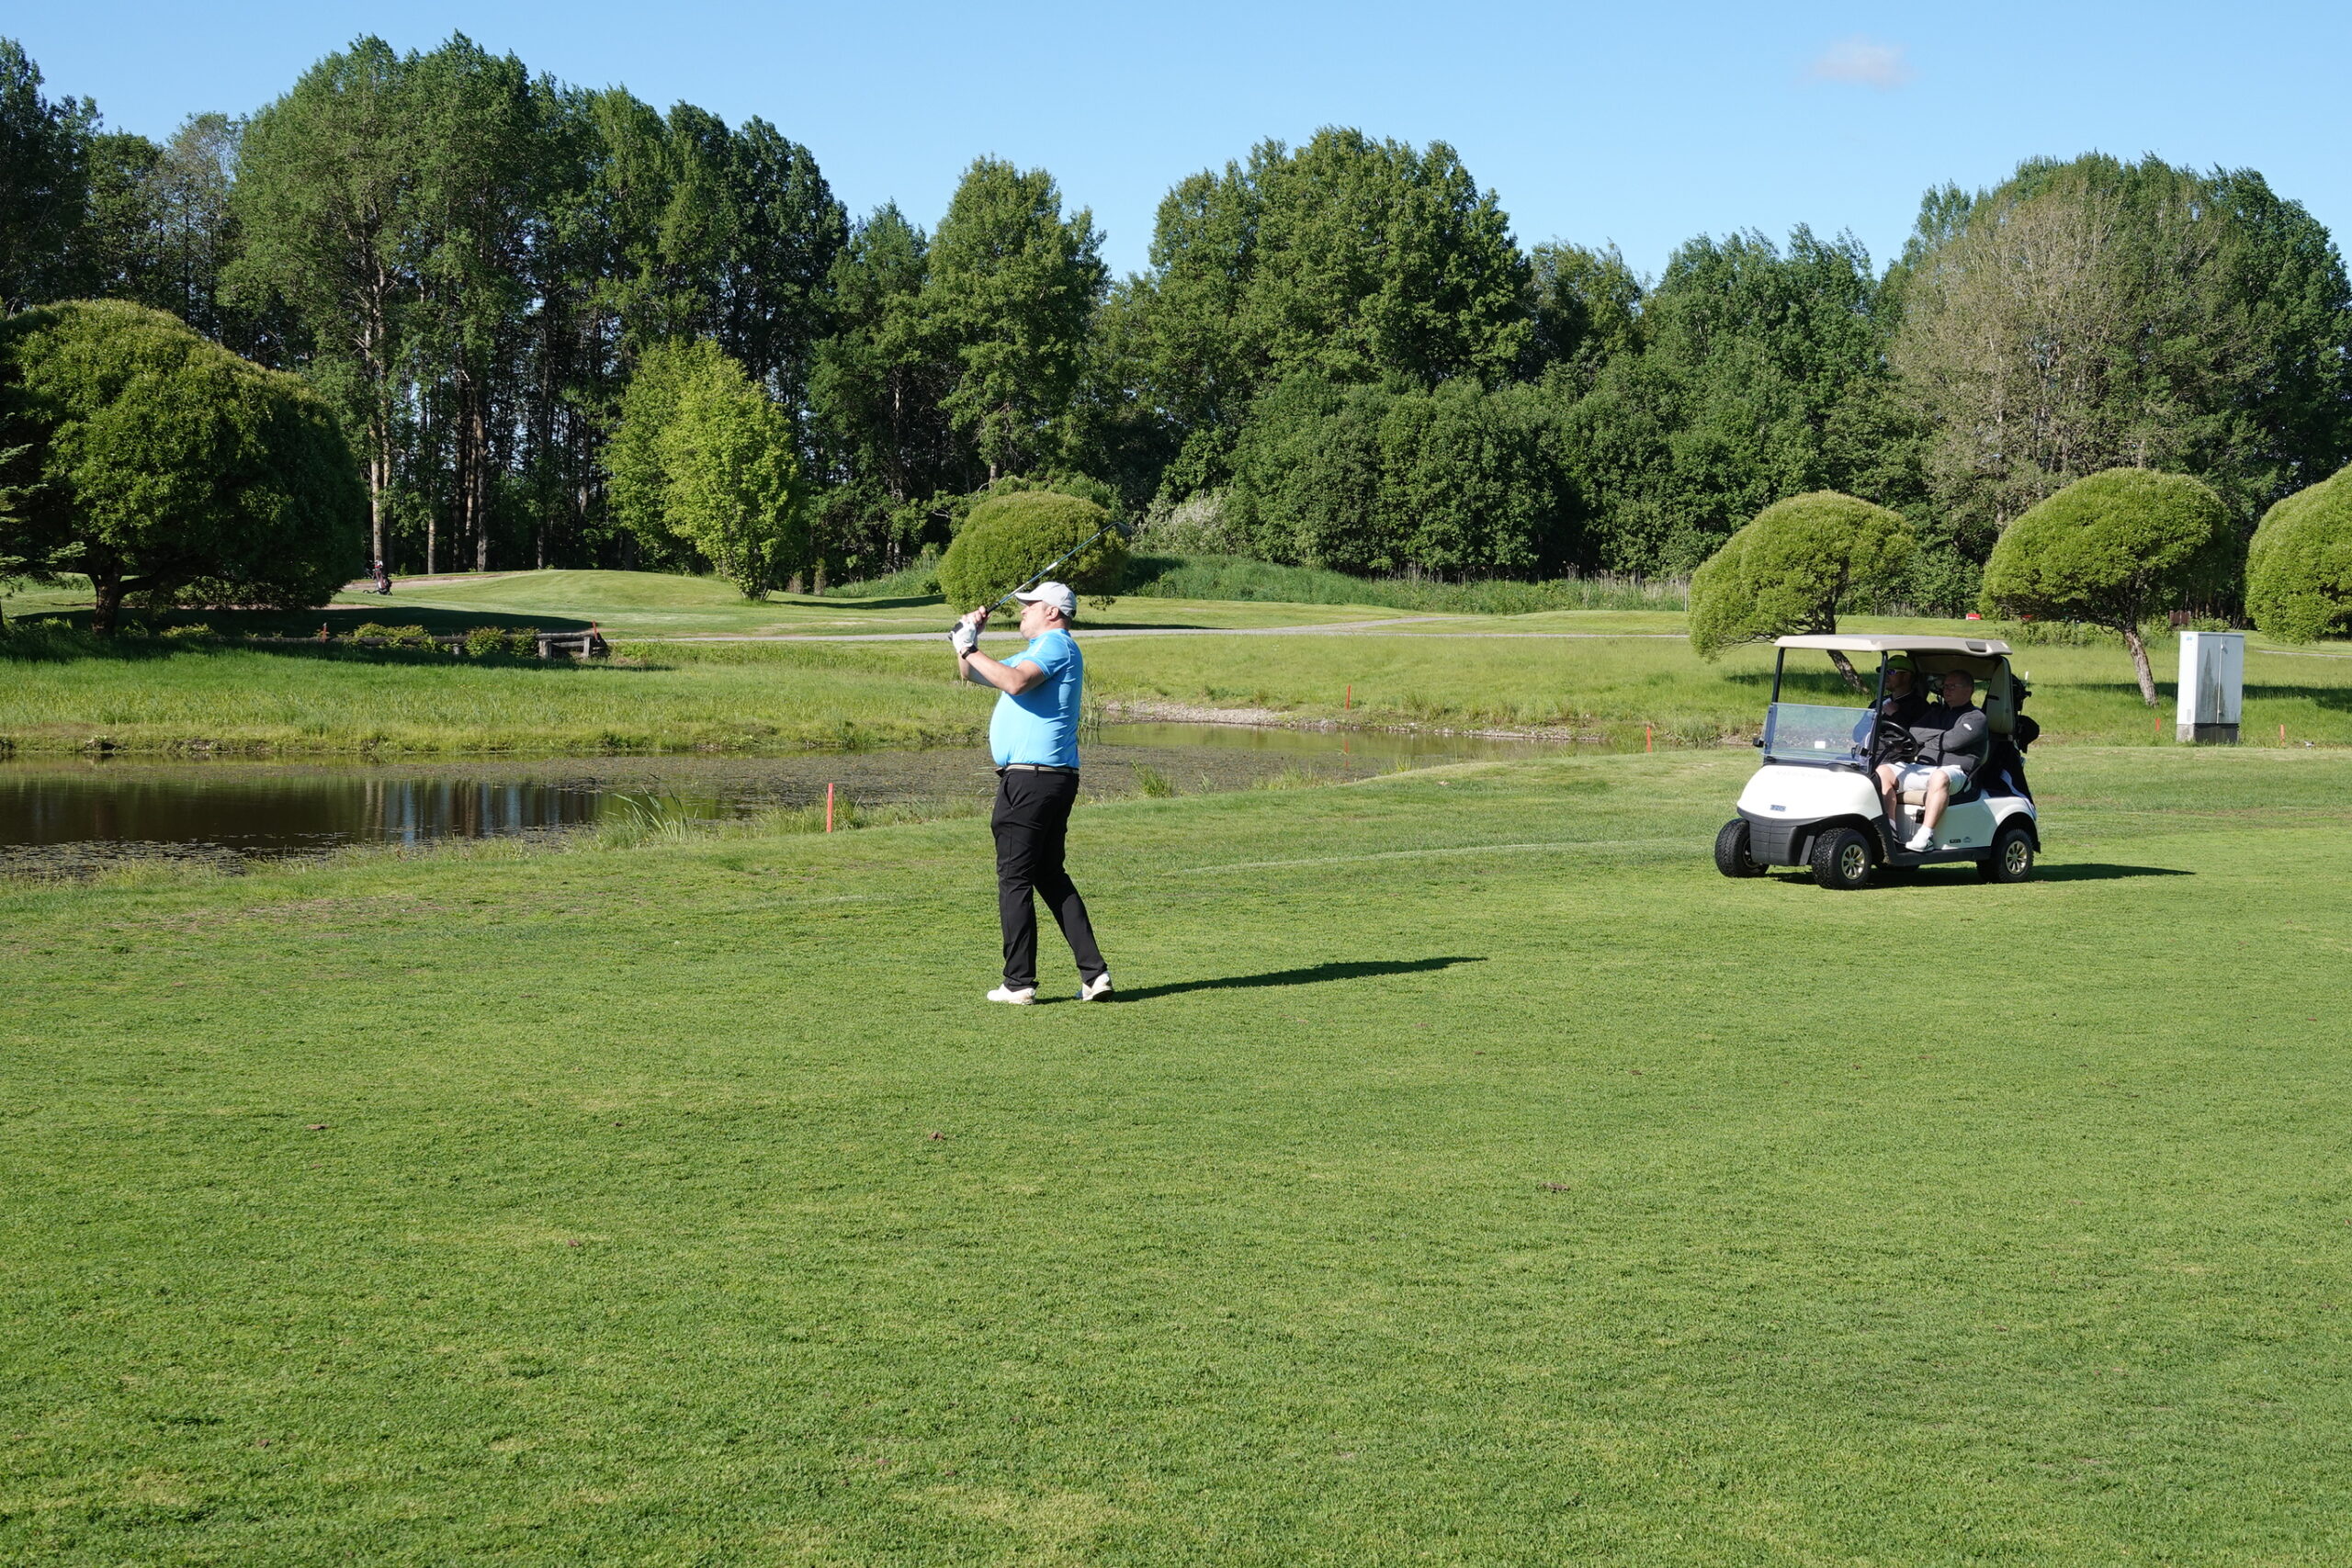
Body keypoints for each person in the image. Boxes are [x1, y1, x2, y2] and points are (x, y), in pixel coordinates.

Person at [951, 581, 1112, 1005]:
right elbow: (975, 675)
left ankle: (1018, 982)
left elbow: (1016, 683)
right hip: (1044, 778)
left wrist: (968, 646)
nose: (1022, 611)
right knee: (1048, 874)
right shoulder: (1038, 650)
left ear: (1053, 612)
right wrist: (968, 640)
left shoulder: (1056, 645)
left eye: (1030, 606)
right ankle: (1094, 975)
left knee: (1015, 877)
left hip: (1032, 780)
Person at [1883, 669, 1989, 852]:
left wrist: (1931, 739)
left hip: (1956, 773)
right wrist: (1941, 735)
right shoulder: (1936, 713)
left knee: (1939, 776)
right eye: (1945, 686)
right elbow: (1914, 733)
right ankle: (1889, 831)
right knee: (1883, 771)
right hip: (1923, 768)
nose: (1946, 690)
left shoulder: (1976, 718)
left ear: (1969, 690)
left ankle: (1925, 836)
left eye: (1952, 687)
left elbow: (1951, 742)